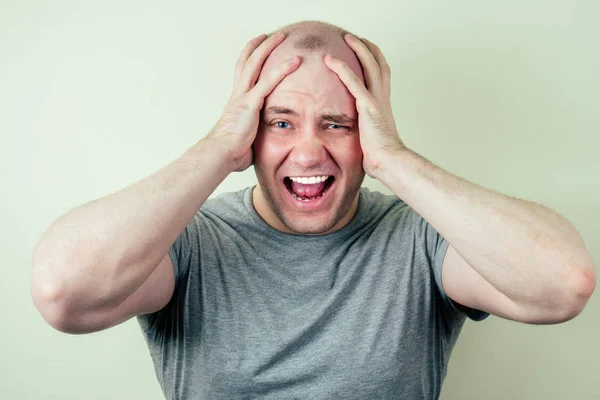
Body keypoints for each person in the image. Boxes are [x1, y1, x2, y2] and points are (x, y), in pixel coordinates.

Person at [31, 20, 596, 399]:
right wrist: (216, 147)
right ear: (249, 132)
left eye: (338, 124)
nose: (307, 151)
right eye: (280, 122)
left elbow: (564, 284)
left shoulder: (421, 240)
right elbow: (63, 293)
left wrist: (395, 159)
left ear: (367, 135)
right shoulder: (189, 240)